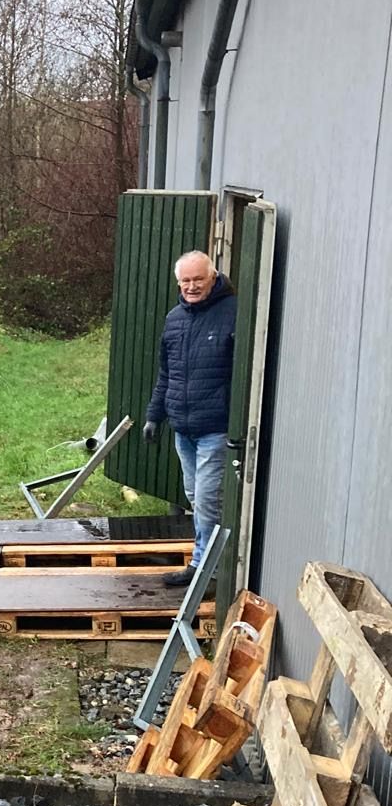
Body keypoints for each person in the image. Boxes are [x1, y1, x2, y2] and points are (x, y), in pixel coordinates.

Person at [143, 248, 236, 589]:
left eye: (198, 279)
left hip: (215, 427)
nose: (192, 286)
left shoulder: (234, 313)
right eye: (186, 281)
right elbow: (167, 374)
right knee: (195, 496)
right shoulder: (175, 319)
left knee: (209, 501)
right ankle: (208, 562)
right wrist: (154, 415)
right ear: (178, 283)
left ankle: (206, 571)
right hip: (183, 428)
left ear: (213, 277)